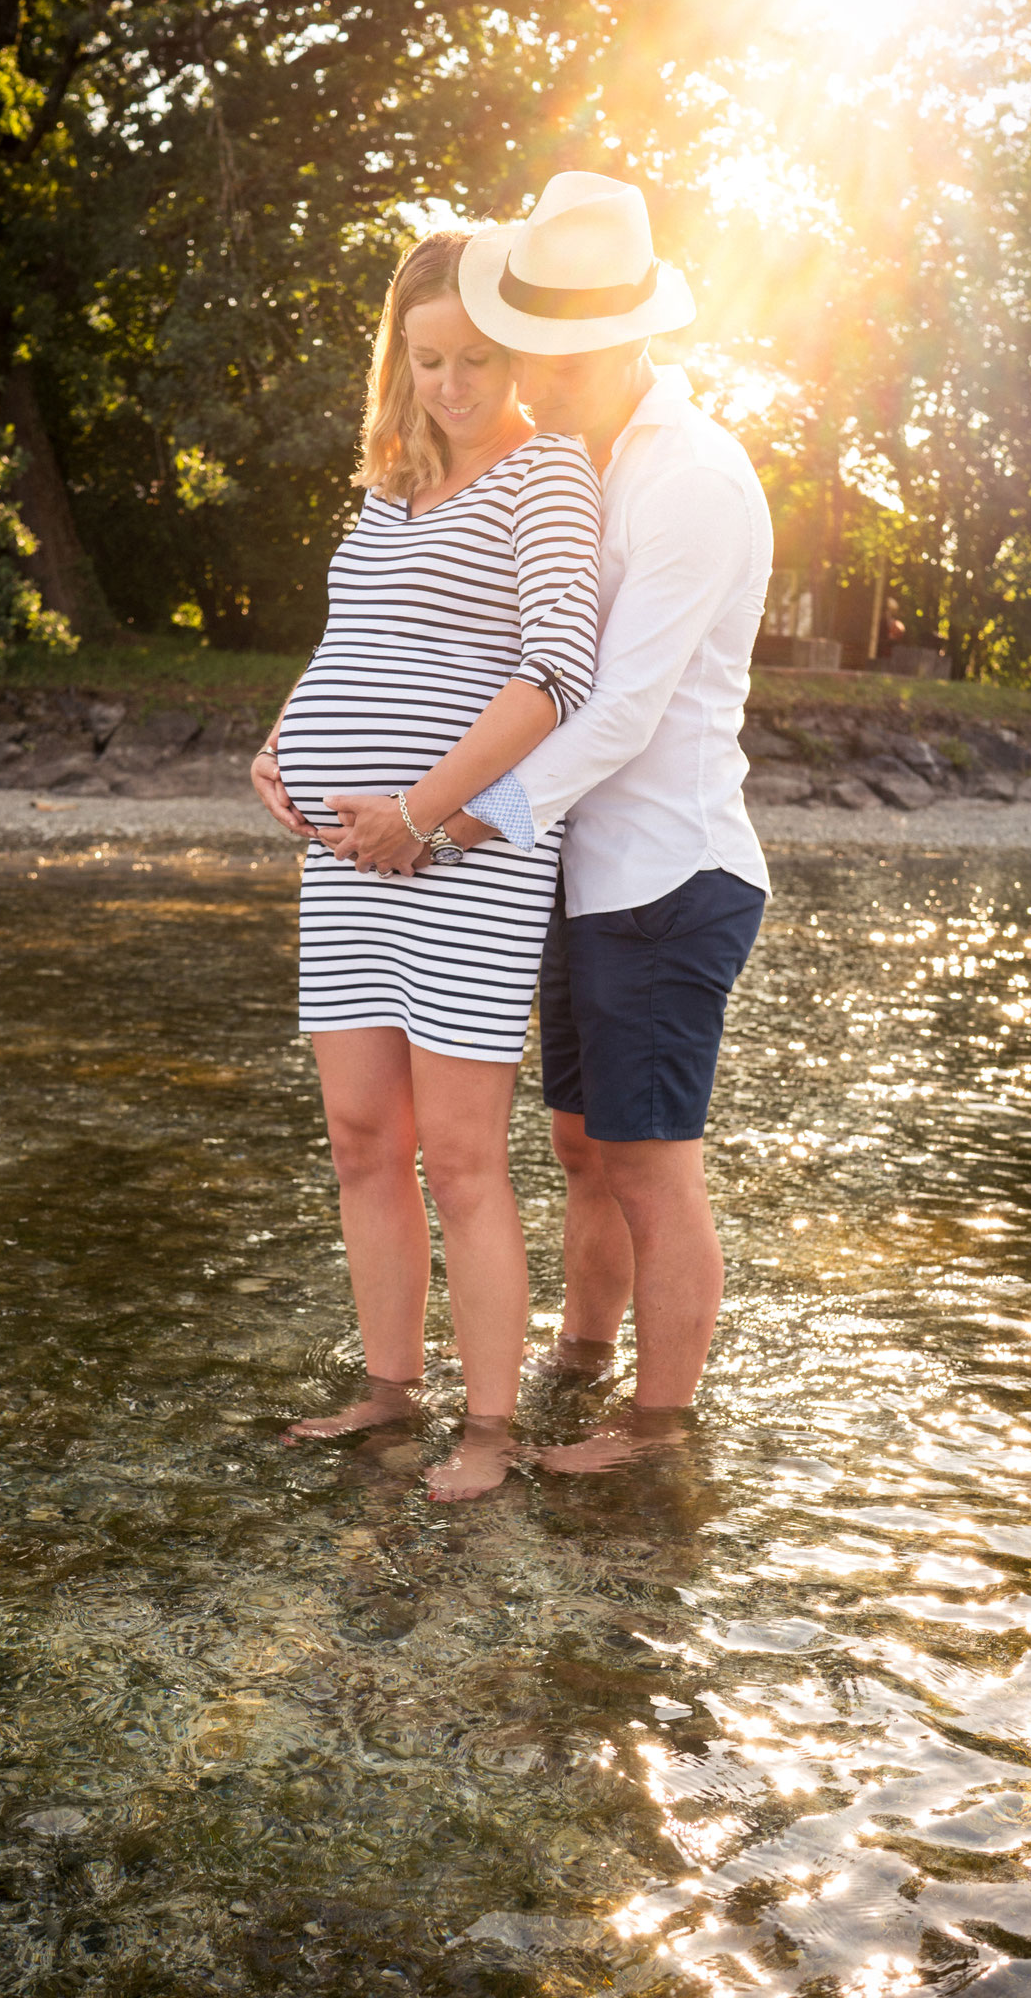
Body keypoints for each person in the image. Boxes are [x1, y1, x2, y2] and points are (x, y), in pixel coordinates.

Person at [327, 172, 773, 1472]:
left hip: (668, 871)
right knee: (583, 1146)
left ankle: (657, 1426)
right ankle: (582, 1362)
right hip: (584, 871)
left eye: (561, 355)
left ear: (631, 339)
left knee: (648, 1163)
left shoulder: (689, 479)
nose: (539, 376)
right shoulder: (592, 459)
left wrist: (445, 824)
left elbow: (617, 708)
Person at [250, 230, 601, 1500]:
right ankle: (389, 1390)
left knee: (459, 1154)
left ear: (519, 354)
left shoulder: (549, 473)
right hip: (346, 857)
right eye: (428, 357)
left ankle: (490, 1429)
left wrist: (417, 810)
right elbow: (352, 635)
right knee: (360, 1136)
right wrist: (282, 737)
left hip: (460, 858)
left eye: (476, 358)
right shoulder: (390, 483)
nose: (451, 384)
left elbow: (557, 675)